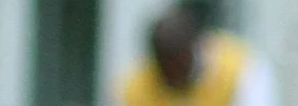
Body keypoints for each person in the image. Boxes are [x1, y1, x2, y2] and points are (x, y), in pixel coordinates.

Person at [118, 7, 278, 106]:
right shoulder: (132, 87)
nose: (174, 76)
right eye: (166, 69)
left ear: (195, 50)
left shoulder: (243, 70)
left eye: (180, 67)